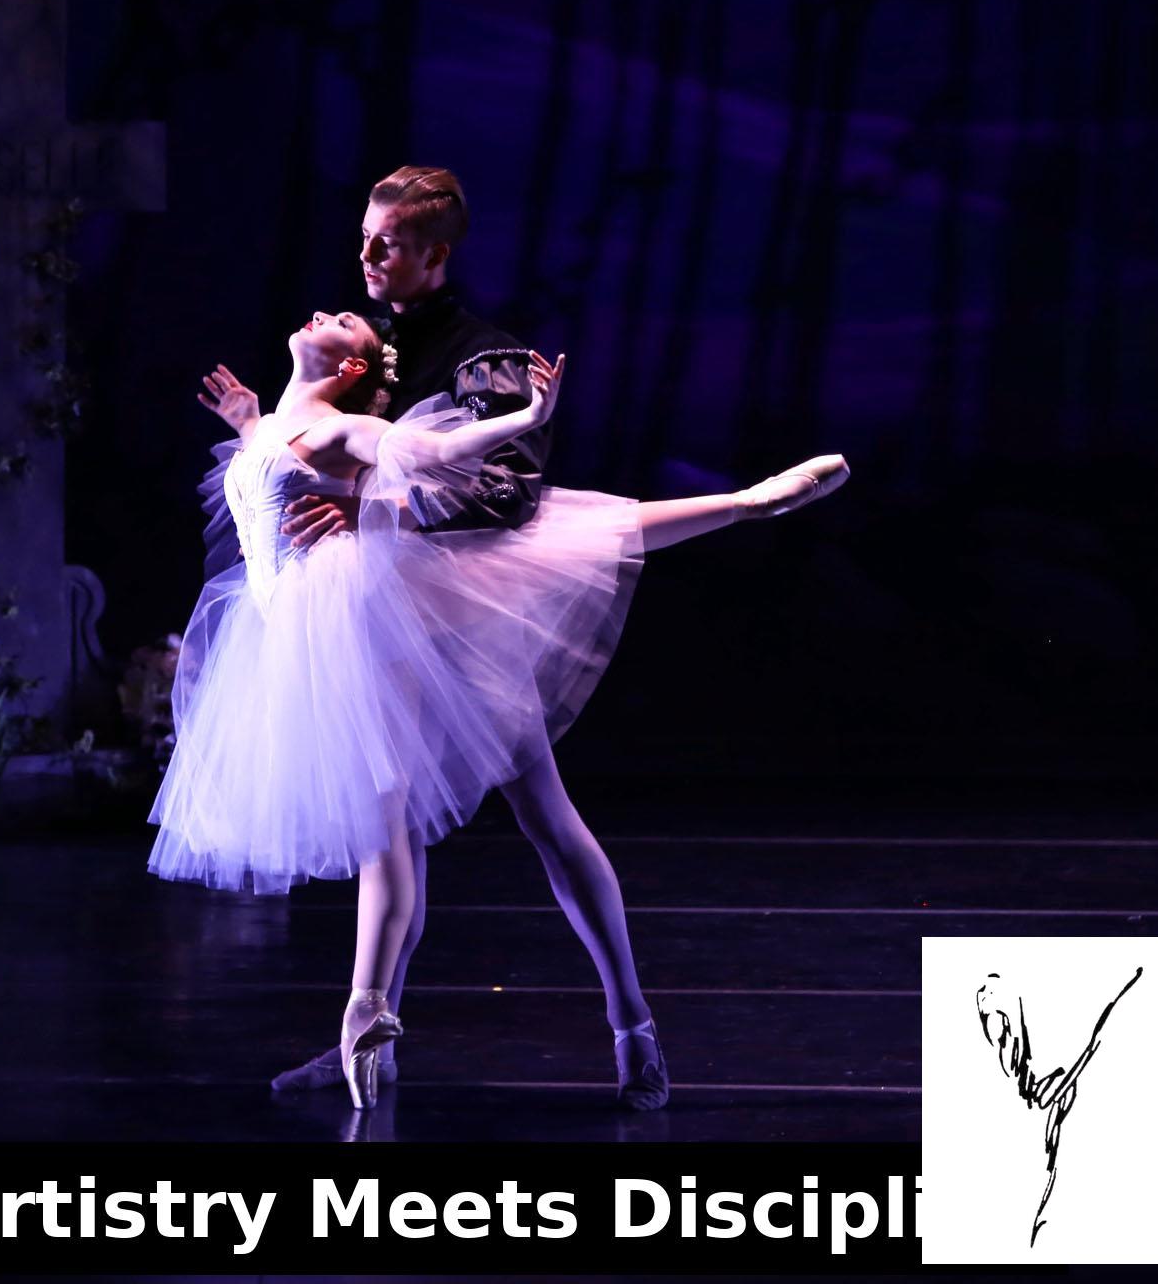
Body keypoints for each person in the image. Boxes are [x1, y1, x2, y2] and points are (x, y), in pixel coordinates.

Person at [193, 166, 849, 1110]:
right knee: (388, 835)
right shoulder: (343, 364)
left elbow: (506, 492)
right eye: (365, 238)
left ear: (436, 255)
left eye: (389, 244)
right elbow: (305, 464)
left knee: (547, 819)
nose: (367, 257)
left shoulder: (481, 355)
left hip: (464, 615)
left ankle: (633, 1023)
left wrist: (376, 514)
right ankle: (362, 1034)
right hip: (366, 624)